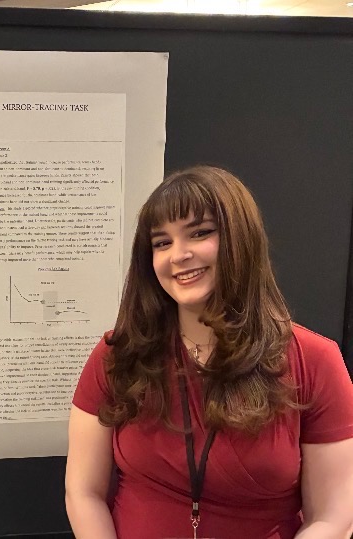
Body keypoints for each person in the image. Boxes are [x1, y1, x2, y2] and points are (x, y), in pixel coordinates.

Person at [65, 166, 353, 538]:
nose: (178, 255)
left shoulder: (314, 361)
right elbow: (83, 492)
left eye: (199, 234)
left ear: (240, 240)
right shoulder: (118, 354)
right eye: (162, 242)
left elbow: (334, 517)